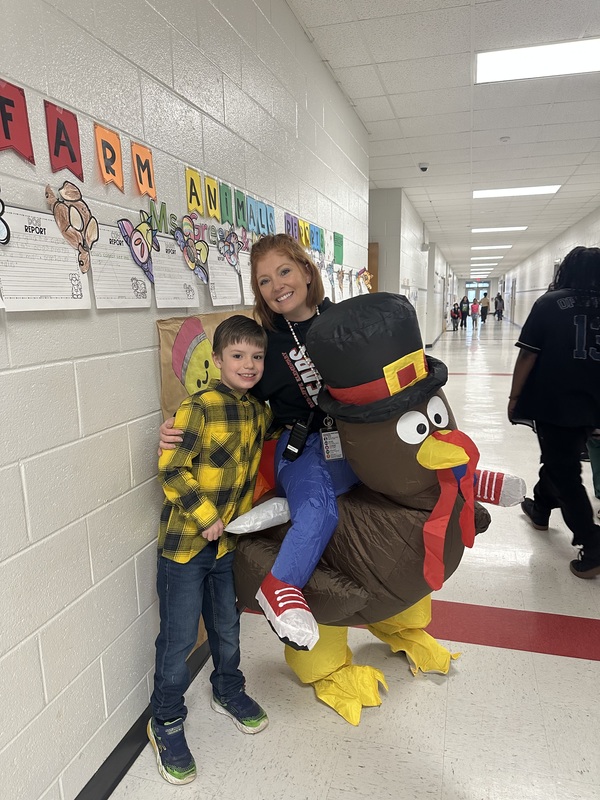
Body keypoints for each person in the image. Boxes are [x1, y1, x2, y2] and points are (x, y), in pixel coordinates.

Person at [160, 234, 359, 651]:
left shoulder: (343, 320)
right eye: (264, 280)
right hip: (301, 444)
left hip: (351, 440)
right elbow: (233, 395)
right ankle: (282, 585)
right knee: (318, 506)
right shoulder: (267, 339)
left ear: (307, 271)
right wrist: (179, 425)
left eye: (284, 271)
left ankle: (467, 478)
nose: (276, 286)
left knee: (401, 461)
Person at [149, 316, 271, 786]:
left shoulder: (257, 412)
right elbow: (172, 469)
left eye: (256, 356)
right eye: (237, 356)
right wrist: (205, 516)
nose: (248, 364)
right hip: (185, 547)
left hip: (227, 547)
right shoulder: (197, 407)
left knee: (226, 626)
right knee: (179, 640)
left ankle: (228, 689)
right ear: (217, 360)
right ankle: (166, 719)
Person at [507, 245, 600, 578]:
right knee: (560, 459)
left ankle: (592, 542)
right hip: (594, 402)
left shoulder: (550, 303)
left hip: (555, 402)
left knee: (564, 471)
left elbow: (528, 355)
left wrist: (515, 397)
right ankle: (540, 508)